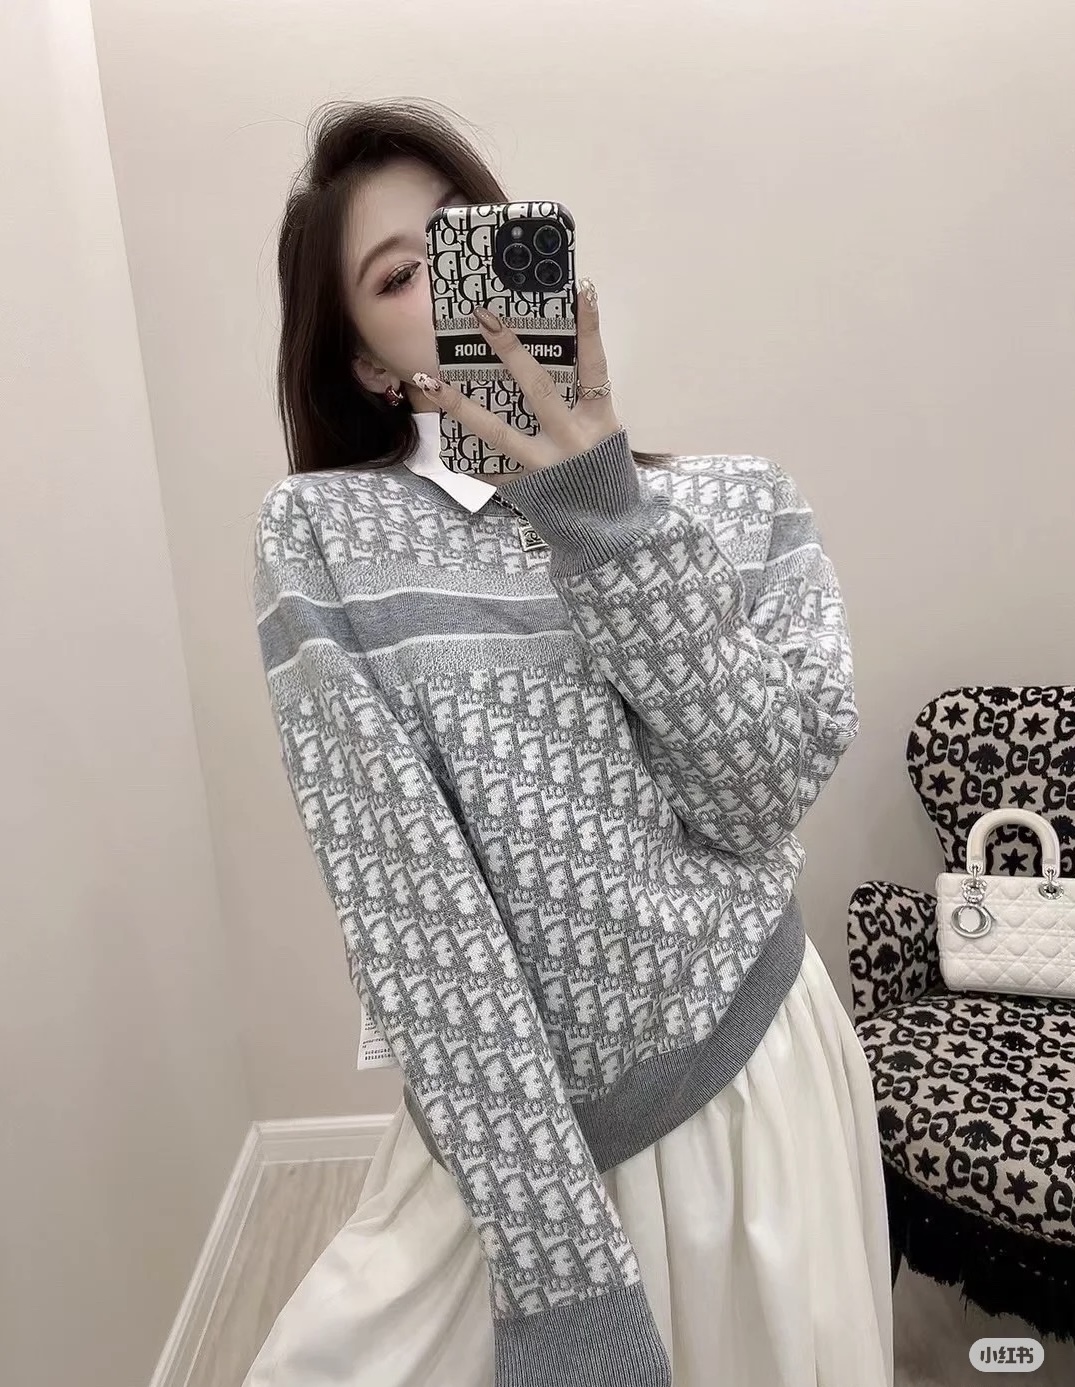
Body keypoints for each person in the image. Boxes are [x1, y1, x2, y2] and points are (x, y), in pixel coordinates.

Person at [246, 99, 894, 1387]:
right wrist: (557, 1269)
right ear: (367, 365)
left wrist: (604, 517)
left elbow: (758, 797)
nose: (457, 290)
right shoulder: (323, 537)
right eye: (400, 276)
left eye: (468, 240)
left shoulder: (739, 501)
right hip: (525, 1133)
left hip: (761, 1072)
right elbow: (409, 912)